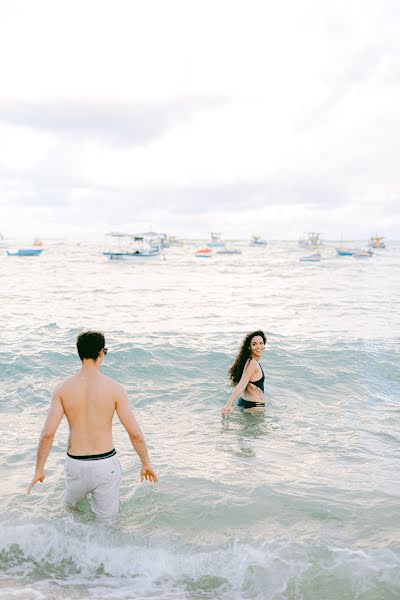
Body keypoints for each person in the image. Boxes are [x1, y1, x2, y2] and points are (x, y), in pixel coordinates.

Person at [27, 331, 158, 518]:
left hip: (75, 464)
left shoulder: (62, 389)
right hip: (105, 464)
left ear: (79, 353)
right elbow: (134, 432)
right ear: (101, 353)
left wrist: (39, 469)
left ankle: (71, 546)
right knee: (107, 522)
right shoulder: (115, 389)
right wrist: (146, 463)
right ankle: (100, 547)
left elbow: (48, 433)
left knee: (72, 514)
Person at [221, 330, 267, 416]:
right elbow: (242, 383)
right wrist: (228, 404)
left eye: (261, 343)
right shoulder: (252, 363)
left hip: (245, 403)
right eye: (254, 344)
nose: (258, 346)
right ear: (249, 347)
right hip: (254, 408)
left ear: (264, 345)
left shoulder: (248, 361)